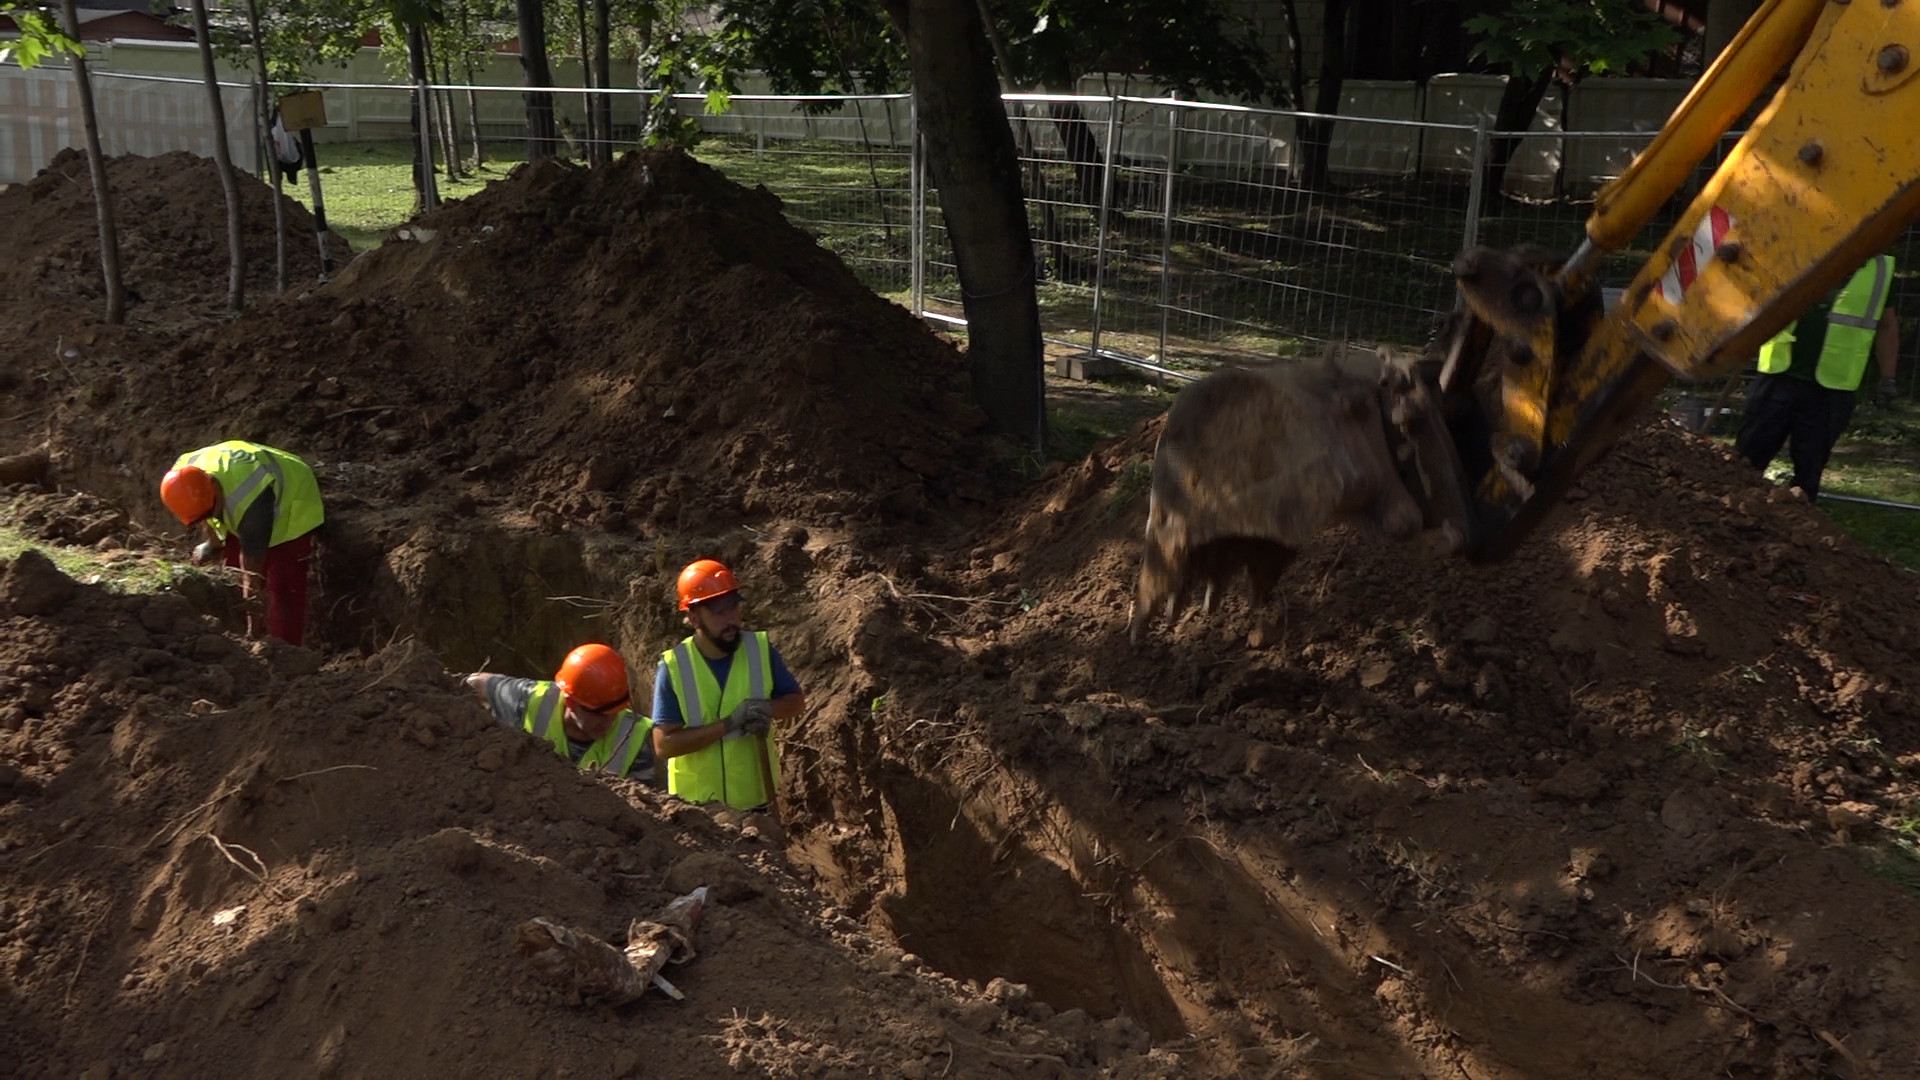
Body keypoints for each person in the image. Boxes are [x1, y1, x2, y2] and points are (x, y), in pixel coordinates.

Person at [1735, 253, 1901, 502]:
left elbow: (1887, 326)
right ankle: (1731, 510)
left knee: (1808, 471)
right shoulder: (1803, 246)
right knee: (1746, 460)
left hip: (1832, 388)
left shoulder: (1880, 270)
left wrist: (1888, 377)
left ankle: (1797, 526)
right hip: (1779, 374)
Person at [651, 560, 805, 811]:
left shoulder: (759, 650)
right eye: (719, 612)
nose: (731, 619)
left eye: (733, 608)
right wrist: (729, 724)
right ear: (694, 618)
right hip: (697, 813)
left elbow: (795, 701)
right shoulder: (674, 666)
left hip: (755, 806)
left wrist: (767, 708)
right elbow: (664, 745)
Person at [160, 440, 325, 645]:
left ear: (215, 488)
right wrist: (213, 544)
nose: (211, 517)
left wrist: (252, 635)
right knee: (232, 573)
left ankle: (286, 650)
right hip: (246, 483)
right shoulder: (182, 475)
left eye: (212, 512)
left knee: (283, 587)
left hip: (293, 494)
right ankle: (235, 635)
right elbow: (204, 511)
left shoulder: (249, 500)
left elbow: (252, 572)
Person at [466, 644, 655, 782]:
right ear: (571, 701)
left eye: (615, 711)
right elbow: (477, 684)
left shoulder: (633, 739)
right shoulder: (532, 700)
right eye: (598, 713)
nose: (609, 721)